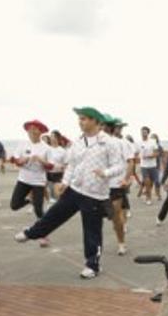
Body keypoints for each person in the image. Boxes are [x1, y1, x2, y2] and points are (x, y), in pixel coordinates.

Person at [14, 106, 125, 278]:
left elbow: (120, 166)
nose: (80, 122)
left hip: (95, 194)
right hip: (75, 188)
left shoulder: (109, 142)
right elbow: (72, 164)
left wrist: (106, 173)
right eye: (79, 119)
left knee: (92, 231)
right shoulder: (78, 142)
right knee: (54, 214)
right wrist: (64, 183)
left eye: (84, 119)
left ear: (96, 121)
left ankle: (92, 265)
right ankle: (32, 233)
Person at [10, 120, 52, 247]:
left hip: (38, 181)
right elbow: (14, 160)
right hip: (23, 179)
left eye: (35, 129)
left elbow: (50, 166)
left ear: (41, 131)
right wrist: (24, 159)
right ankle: (29, 199)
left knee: (39, 210)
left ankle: (44, 235)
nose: (32, 131)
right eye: (30, 129)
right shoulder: (22, 144)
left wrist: (41, 160)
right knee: (14, 205)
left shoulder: (46, 148)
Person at [103, 115, 137, 255]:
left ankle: (121, 243)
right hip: (100, 186)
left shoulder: (124, 143)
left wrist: (127, 179)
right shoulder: (99, 143)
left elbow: (131, 162)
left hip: (116, 184)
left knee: (116, 216)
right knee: (107, 217)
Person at [139, 126, 160, 204]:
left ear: (148, 133)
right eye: (142, 132)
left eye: (145, 132)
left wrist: (149, 156)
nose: (143, 134)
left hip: (152, 165)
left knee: (155, 182)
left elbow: (157, 153)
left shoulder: (152, 141)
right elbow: (137, 153)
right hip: (144, 166)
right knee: (147, 182)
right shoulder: (139, 143)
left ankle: (157, 194)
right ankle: (148, 198)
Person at [45, 130, 68, 204]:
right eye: (51, 136)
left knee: (57, 194)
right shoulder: (47, 149)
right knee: (45, 191)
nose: (52, 138)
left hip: (58, 174)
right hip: (47, 173)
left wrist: (60, 167)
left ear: (58, 138)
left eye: (54, 136)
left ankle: (58, 206)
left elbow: (66, 165)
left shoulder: (62, 151)